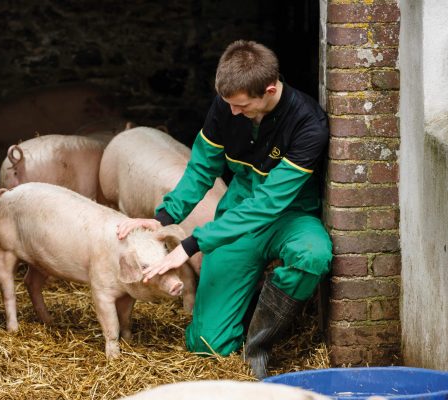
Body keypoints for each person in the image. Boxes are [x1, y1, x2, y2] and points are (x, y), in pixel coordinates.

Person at [117, 40, 332, 379]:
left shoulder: (308, 123)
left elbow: (269, 204)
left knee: (313, 254)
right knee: (208, 344)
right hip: (237, 216)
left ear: (270, 89)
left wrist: (192, 243)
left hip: (290, 215)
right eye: (228, 103)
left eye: (241, 105)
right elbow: (202, 168)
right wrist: (163, 217)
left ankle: (259, 343)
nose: (232, 112)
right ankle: (243, 301)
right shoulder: (225, 106)